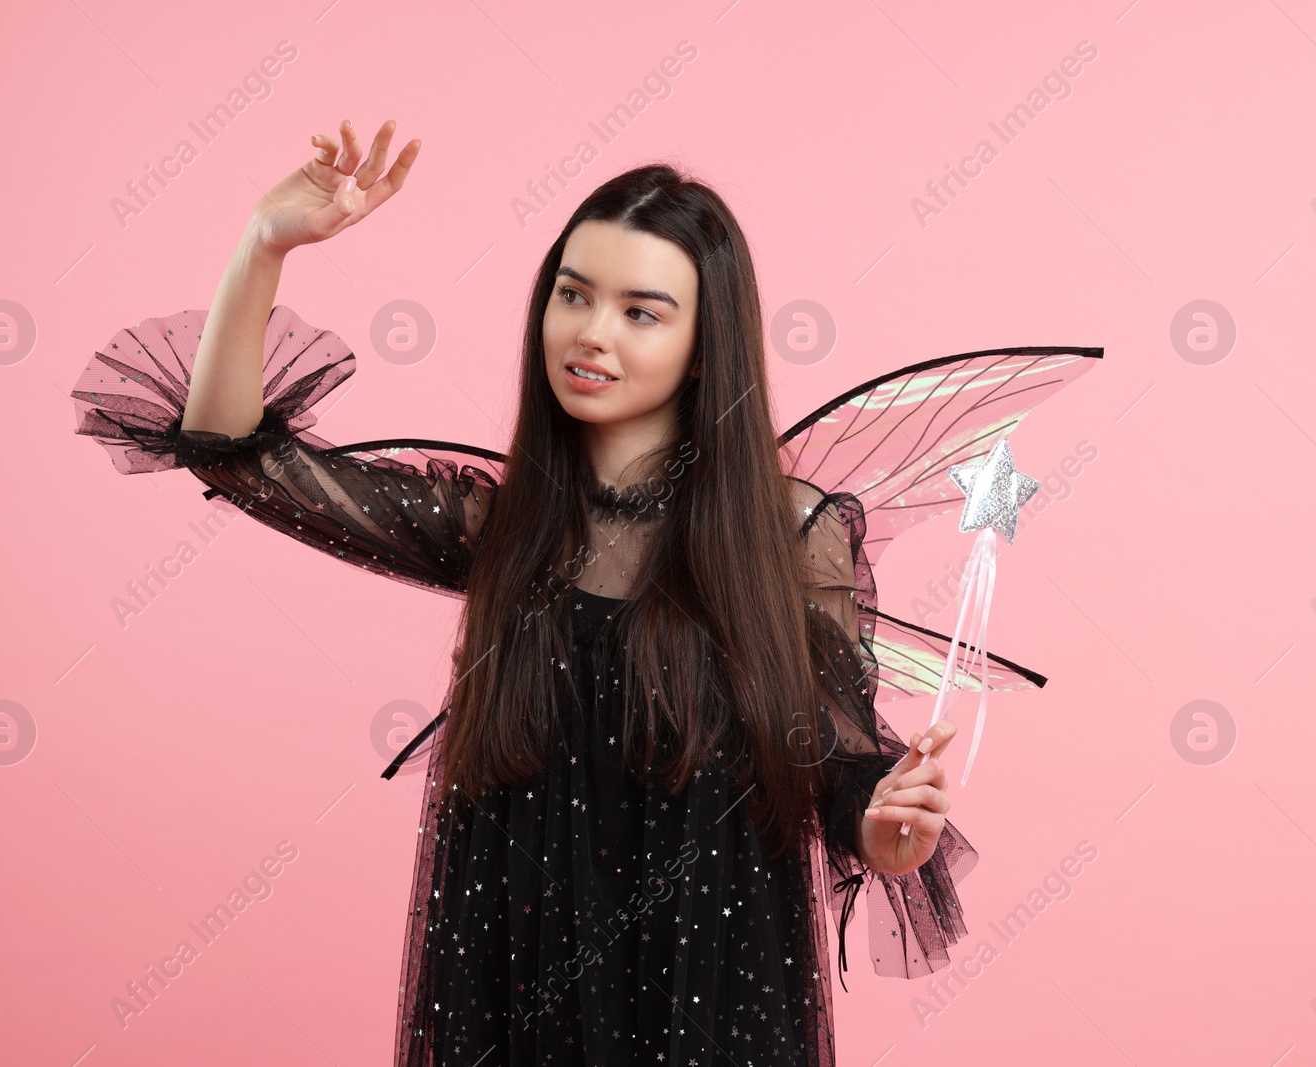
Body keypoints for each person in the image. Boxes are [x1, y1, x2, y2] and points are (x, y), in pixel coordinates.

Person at [73, 118, 997, 1066]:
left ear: (704, 342)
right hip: (517, 984)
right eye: (572, 295)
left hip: (709, 991)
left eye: (642, 311)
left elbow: (833, 757)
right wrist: (263, 245)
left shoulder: (789, 536)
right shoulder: (504, 527)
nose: (591, 333)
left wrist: (883, 824)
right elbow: (243, 461)